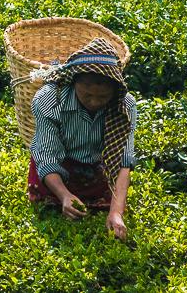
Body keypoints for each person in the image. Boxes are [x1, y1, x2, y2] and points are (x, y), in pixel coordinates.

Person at [27, 38, 138, 241]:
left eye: (102, 97)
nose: (94, 102)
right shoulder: (49, 99)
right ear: (73, 82)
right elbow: (46, 155)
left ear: (113, 92)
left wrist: (116, 212)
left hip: (96, 167)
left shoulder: (125, 106)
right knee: (47, 195)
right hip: (60, 166)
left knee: (106, 199)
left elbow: (123, 162)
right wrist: (64, 195)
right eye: (87, 95)